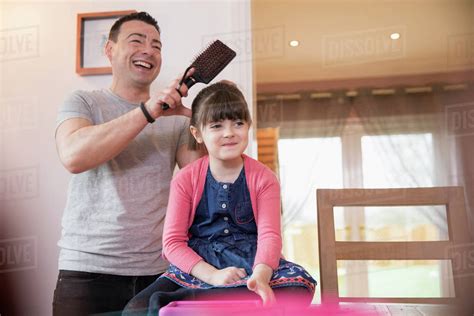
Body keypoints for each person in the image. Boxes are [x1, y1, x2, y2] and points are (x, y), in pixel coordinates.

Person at [52, 11, 202, 315]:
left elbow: (202, 185)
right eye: (137, 40)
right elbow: (73, 156)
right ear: (110, 50)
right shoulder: (83, 102)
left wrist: (203, 119)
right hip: (87, 272)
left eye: (157, 46)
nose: (149, 50)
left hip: (158, 274)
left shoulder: (175, 121)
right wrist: (148, 112)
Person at [123, 82, 316, 315]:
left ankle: (196, 300)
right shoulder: (185, 179)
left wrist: (261, 278)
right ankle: (208, 296)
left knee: (299, 287)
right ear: (197, 134)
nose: (229, 133)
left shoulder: (265, 178)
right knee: (136, 309)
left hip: (252, 264)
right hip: (199, 267)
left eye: (238, 123)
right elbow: (172, 243)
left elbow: (270, 237)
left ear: (248, 126)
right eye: (216, 125)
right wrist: (212, 276)